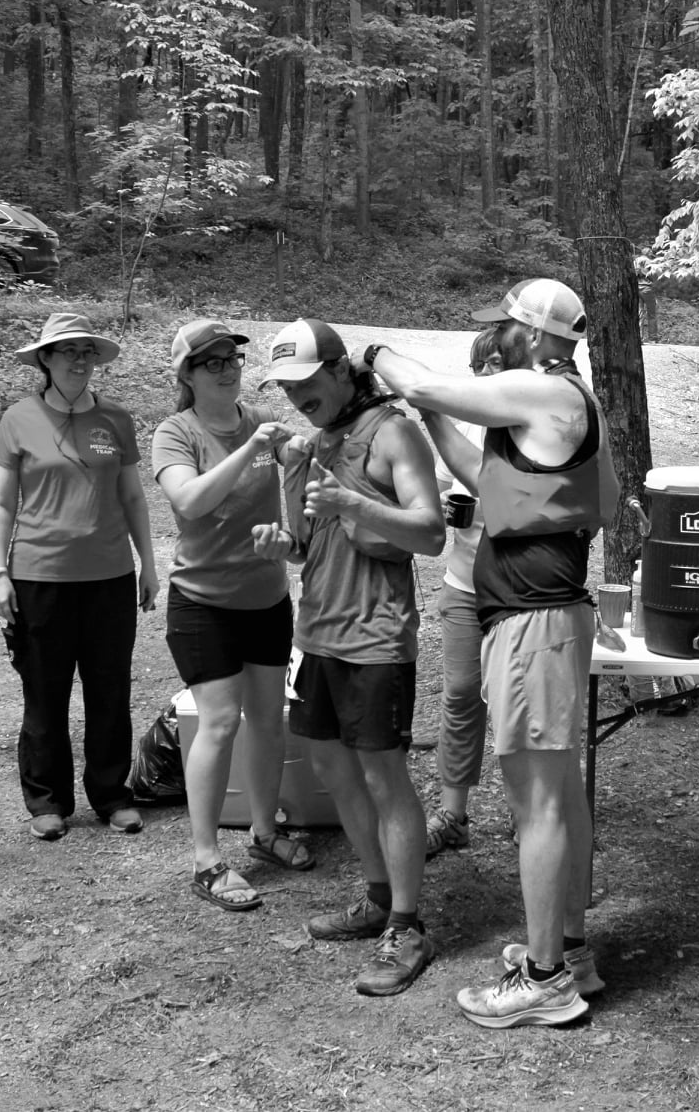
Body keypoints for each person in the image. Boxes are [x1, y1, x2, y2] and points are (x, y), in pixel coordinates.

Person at [362, 278, 618, 1029]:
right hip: (545, 620)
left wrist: (374, 353)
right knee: (559, 798)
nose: (494, 337)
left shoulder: (547, 392)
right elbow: (488, 481)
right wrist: (431, 420)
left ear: (537, 338)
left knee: (537, 805)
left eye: (504, 327)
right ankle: (567, 951)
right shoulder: (548, 408)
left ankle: (543, 980)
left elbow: (419, 379)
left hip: (534, 623)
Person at [256, 318, 446, 997]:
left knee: (384, 779)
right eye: (286, 388)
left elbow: (430, 532)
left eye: (306, 383)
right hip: (320, 635)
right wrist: (283, 530)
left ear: (340, 370)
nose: (296, 396)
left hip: (375, 638)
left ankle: (407, 924)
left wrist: (346, 496)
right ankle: (374, 895)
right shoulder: (321, 440)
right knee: (334, 771)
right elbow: (307, 545)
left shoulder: (392, 431)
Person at [152, 319, 315, 913]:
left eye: (231, 359)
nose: (226, 368)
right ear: (186, 375)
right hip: (202, 604)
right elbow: (190, 500)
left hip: (266, 598)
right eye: (211, 361)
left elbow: (302, 485)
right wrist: (252, 448)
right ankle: (205, 860)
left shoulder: (263, 428)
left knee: (269, 719)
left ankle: (265, 834)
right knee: (219, 723)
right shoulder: (176, 432)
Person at [0, 313, 158, 841]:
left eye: (87, 351)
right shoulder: (18, 418)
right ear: (45, 359)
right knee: (45, 692)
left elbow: (132, 496)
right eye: (67, 351)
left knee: (110, 690)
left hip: (109, 576)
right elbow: (1, 502)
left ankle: (111, 796)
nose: (79, 361)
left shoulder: (117, 420)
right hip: (39, 577)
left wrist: (148, 564)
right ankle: (48, 800)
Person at [417, 325, 512, 858]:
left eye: (501, 363)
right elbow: (441, 488)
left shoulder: (531, 428)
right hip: (462, 585)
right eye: (483, 366)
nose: (490, 374)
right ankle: (453, 816)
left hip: (518, 593)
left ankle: (530, 813)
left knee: (515, 708)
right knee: (459, 696)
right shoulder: (464, 430)